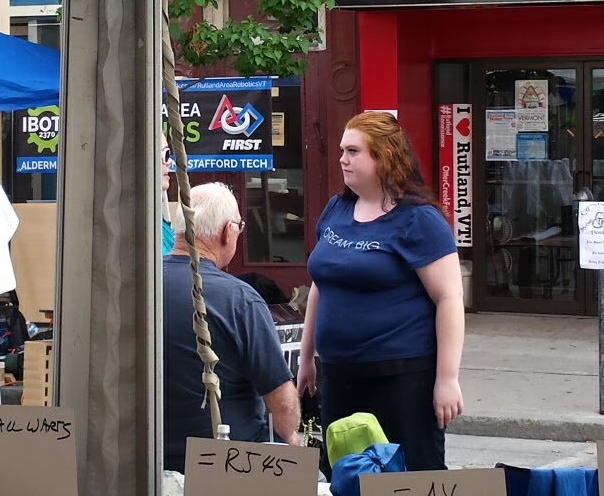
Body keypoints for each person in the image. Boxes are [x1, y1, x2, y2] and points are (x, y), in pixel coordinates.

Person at [299, 111, 465, 472]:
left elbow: (450, 298)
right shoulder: (337, 209)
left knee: (405, 480)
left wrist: (447, 379)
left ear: (384, 156)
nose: (342, 159)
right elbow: (320, 286)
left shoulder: (419, 219)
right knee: (344, 477)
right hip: (339, 374)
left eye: (353, 151)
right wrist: (306, 357)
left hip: (401, 377)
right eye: (342, 150)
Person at [162, 182, 298, 471]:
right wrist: (292, 440)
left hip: (148, 457)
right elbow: (283, 404)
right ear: (227, 231)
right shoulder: (239, 299)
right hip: (228, 463)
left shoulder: (138, 287)